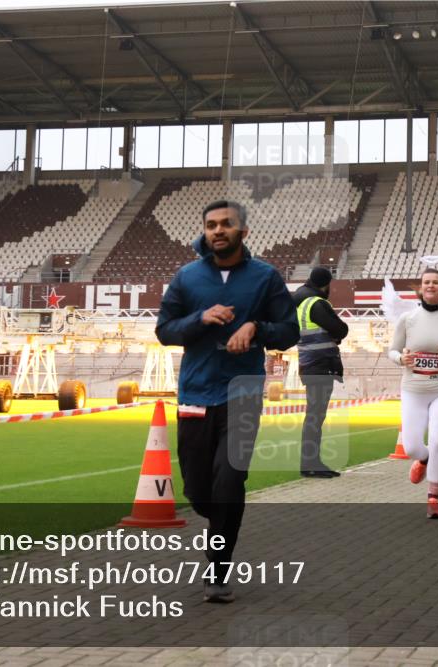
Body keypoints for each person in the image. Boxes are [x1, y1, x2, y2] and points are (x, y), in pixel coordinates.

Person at [155, 199, 299, 603]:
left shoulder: (265, 278)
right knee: (201, 491)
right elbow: (164, 330)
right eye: (211, 225)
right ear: (204, 231)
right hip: (196, 393)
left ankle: (218, 571)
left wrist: (255, 328)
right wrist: (199, 319)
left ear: (243, 232)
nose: (218, 230)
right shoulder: (186, 278)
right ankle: (217, 513)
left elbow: (289, 332)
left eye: (226, 224)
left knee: (231, 480)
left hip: (243, 392)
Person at [388, 267, 438, 519]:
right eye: (426, 282)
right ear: (420, 288)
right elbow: (391, 351)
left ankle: (433, 497)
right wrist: (403, 358)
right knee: (412, 446)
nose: (431, 286)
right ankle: (421, 460)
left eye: (435, 282)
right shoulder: (407, 319)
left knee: (437, 441)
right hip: (414, 389)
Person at [292, 266, 349, 478]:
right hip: (320, 364)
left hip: (310, 363)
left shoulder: (299, 300)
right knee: (315, 416)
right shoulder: (316, 303)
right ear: (325, 284)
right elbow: (341, 329)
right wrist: (337, 335)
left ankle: (311, 462)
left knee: (314, 415)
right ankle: (310, 463)